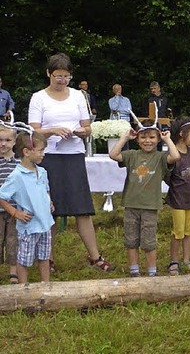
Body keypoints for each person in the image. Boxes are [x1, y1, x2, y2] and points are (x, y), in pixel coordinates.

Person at [28, 53, 112, 272]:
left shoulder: (77, 96)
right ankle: (48, 258)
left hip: (74, 155)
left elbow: (88, 127)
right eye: (58, 75)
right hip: (48, 157)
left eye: (66, 76)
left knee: (82, 208)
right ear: (48, 73)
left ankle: (95, 256)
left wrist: (80, 132)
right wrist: (53, 131)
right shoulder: (39, 98)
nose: (62, 80)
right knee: (50, 208)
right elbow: (33, 131)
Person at [109, 118, 180, 277]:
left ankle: (151, 272)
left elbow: (175, 156)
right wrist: (125, 138)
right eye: (143, 137)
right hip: (131, 205)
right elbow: (113, 155)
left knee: (148, 242)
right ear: (137, 139)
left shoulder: (160, 158)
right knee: (131, 240)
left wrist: (167, 139)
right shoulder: (132, 155)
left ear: (158, 138)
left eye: (152, 137)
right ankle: (134, 271)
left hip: (150, 206)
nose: (147, 141)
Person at [0, 131, 54, 284]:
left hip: (45, 224)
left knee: (44, 257)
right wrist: (15, 212)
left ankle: (46, 286)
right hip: (29, 226)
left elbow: (45, 190)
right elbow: (2, 196)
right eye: (40, 150)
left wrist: (49, 202)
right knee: (23, 260)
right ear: (27, 152)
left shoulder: (42, 172)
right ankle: (23, 289)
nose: (43, 154)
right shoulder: (17, 175)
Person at [165, 117, 190, 275]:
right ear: (182, 134)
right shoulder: (173, 153)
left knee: (189, 231)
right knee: (178, 231)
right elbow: (167, 176)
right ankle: (174, 260)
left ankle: (187, 260)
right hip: (178, 201)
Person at [0, 127, 19, 283]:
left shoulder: (19, 163)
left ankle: (13, 271)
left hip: (14, 209)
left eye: (7, 140)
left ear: (14, 141)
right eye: (0, 140)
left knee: (13, 239)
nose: (3, 144)